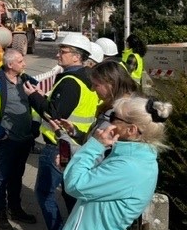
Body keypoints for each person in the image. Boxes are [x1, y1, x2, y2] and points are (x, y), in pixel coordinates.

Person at [62, 96, 172, 230]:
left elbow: (74, 184)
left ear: (131, 130)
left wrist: (95, 144)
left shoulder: (129, 167)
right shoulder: (138, 159)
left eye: (114, 117)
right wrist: (74, 165)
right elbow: (97, 181)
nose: (109, 121)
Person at [23, 33, 99, 230]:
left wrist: (34, 96)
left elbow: (53, 114)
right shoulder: (87, 78)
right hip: (75, 144)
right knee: (69, 190)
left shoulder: (70, 81)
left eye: (63, 51)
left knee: (44, 192)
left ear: (76, 56)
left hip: (59, 146)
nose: (58, 54)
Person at [48, 62, 140, 212]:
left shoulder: (118, 118)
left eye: (96, 85)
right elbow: (97, 143)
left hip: (90, 182)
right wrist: (75, 131)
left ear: (110, 84)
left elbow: (96, 155)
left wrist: (61, 135)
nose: (92, 89)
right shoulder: (115, 110)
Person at [0, 48, 40, 230]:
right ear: (10, 64)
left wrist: (34, 126)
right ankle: (0, 214)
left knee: (17, 175)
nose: (24, 64)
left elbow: (35, 106)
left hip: (24, 138)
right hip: (7, 140)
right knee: (2, 178)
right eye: (20, 61)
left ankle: (15, 209)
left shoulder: (27, 81)